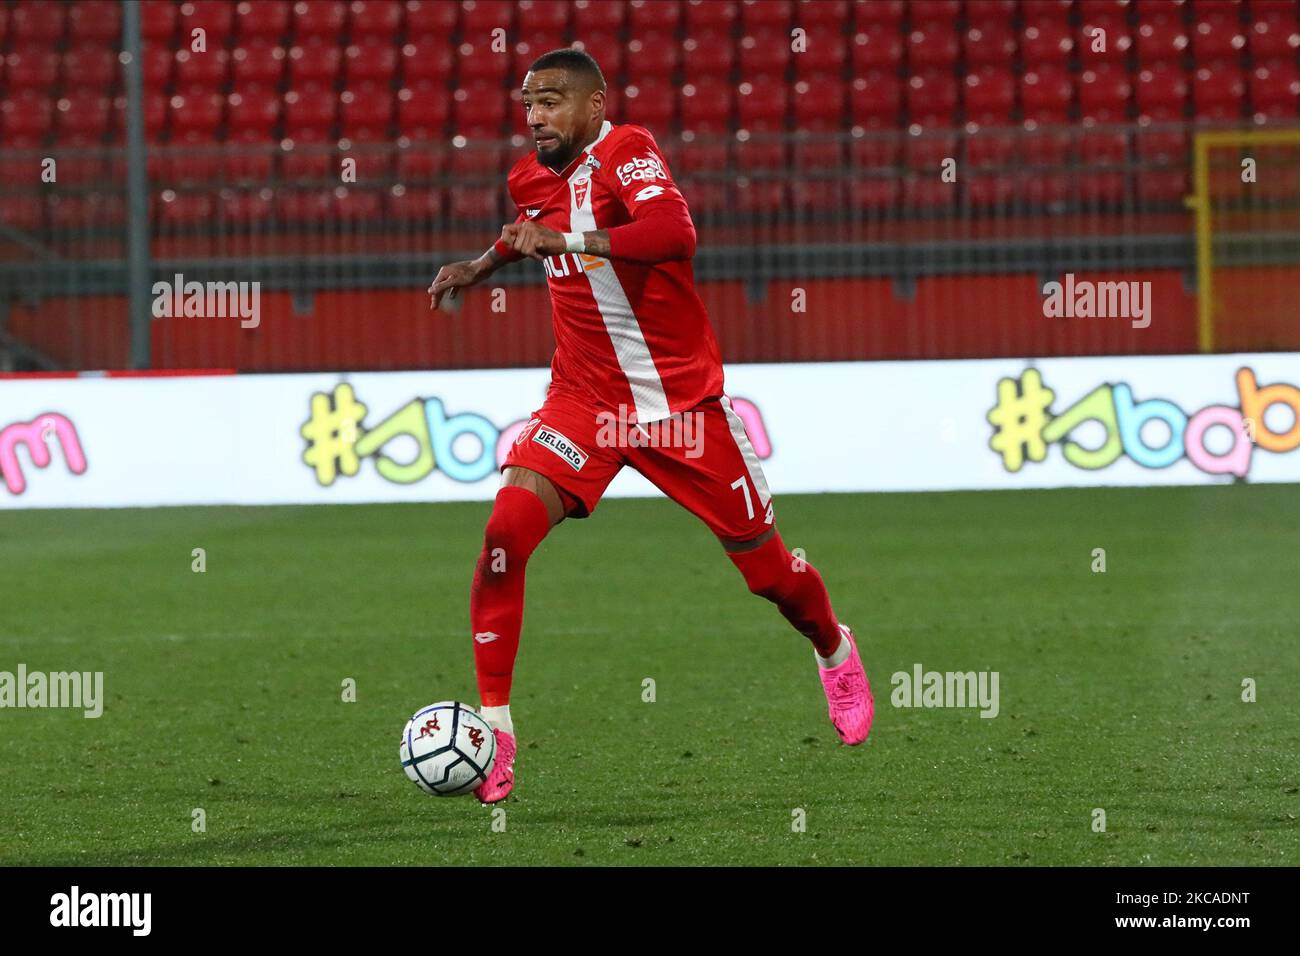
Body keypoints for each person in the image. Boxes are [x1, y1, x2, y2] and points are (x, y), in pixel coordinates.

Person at [428, 49, 872, 804]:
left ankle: (834, 648)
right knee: (505, 534)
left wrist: (568, 244)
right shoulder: (527, 177)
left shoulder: (627, 152)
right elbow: (526, 228)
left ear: (596, 105)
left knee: (769, 576)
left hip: (679, 412)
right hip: (583, 405)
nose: (536, 116)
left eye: (553, 101)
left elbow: (673, 235)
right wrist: (481, 265)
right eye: (528, 102)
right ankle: (496, 733)